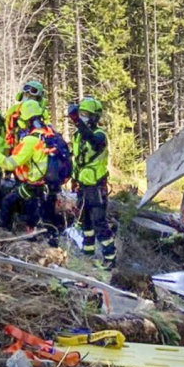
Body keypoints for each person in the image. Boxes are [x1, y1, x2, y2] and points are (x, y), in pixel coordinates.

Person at [0, 98, 54, 234]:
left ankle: (3, 234)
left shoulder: (31, 141)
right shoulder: (49, 135)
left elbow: (9, 164)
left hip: (34, 186)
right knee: (30, 213)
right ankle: (32, 230)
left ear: (27, 120)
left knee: (7, 203)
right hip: (47, 186)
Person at [69, 97, 113, 265]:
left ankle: (110, 258)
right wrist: (74, 179)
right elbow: (78, 160)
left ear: (94, 117)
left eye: (86, 114)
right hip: (82, 184)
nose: (82, 117)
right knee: (84, 220)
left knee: (99, 223)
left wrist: (78, 122)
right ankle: (88, 252)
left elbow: (94, 143)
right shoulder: (77, 135)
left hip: (96, 186)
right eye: (81, 114)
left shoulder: (99, 135)